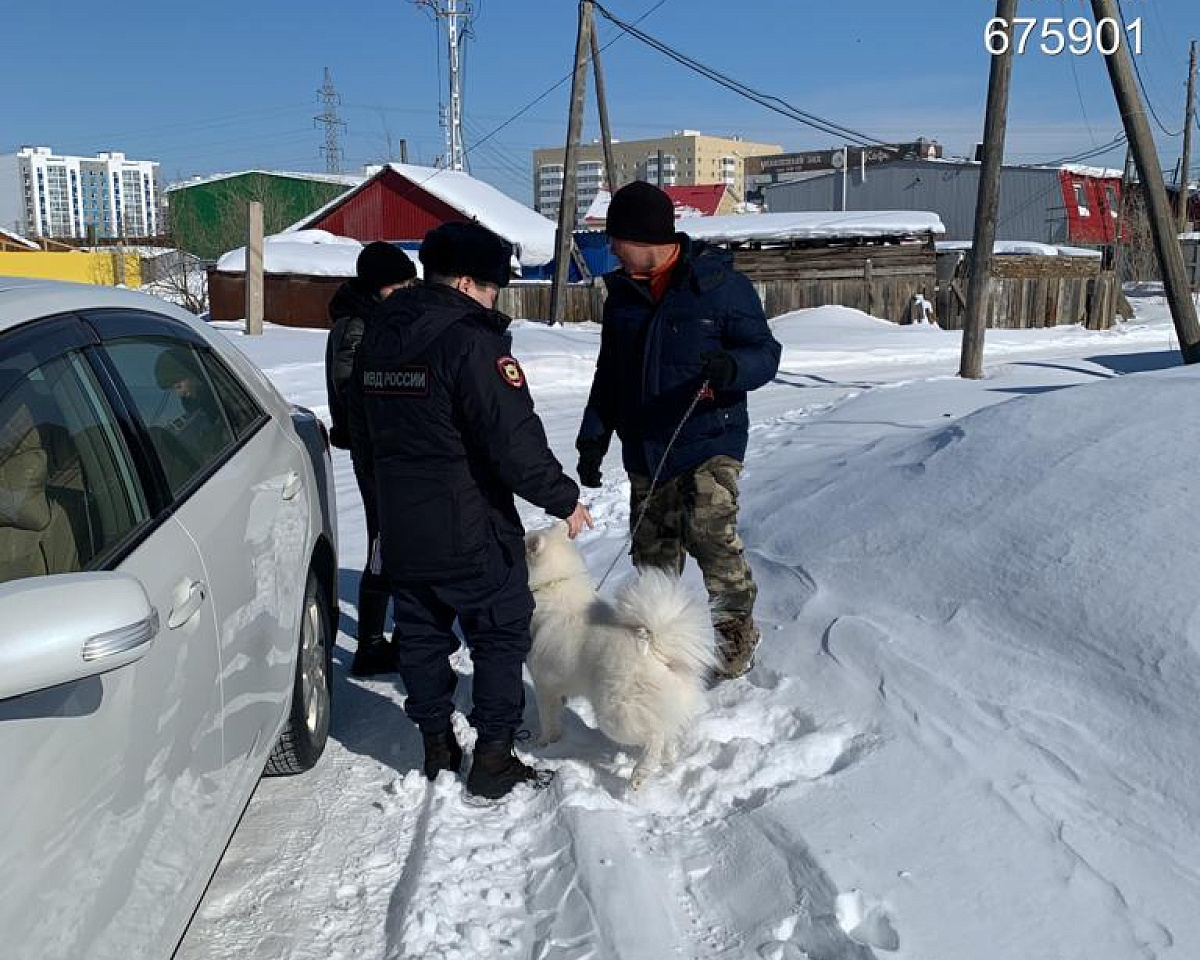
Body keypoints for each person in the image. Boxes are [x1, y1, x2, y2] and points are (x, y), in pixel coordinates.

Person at [355, 221, 593, 800]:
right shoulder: (470, 341)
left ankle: (436, 744)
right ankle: (492, 758)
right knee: (499, 635)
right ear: (465, 283)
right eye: (491, 289)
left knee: (421, 635)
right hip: (468, 520)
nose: (494, 299)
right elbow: (511, 439)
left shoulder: (379, 333)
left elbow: (362, 423)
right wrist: (563, 499)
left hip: (400, 519)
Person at [575, 180, 781, 683]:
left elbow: (766, 353)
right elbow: (610, 373)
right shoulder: (620, 296)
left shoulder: (718, 286)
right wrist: (593, 436)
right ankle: (658, 645)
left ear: (643, 238)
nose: (610, 250)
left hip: (710, 439)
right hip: (647, 448)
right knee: (653, 558)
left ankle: (735, 638)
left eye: (614, 240)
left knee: (711, 537)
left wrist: (733, 367)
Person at [324, 241, 418, 677]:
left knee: (398, 540)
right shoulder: (358, 326)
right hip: (376, 450)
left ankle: (398, 635)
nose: (404, 292)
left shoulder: (373, 318)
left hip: (386, 447)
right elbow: (350, 393)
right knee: (383, 543)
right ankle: (371, 646)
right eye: (398, 285)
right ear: (378, 286)